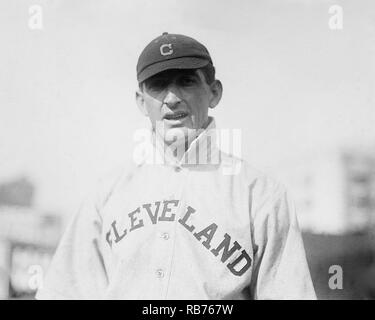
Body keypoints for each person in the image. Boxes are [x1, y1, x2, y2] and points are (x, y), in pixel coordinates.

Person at [36, 32, 316, 300]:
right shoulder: (106, 193)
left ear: (214, 92)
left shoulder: (261, 194)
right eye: (158, 86)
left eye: (186, 81)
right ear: (141, 101)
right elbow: (66, 293)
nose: (171, 99)